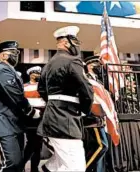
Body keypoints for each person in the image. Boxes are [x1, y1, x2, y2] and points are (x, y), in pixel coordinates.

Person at [37, 26, 94, 172]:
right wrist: (84, 111)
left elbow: (41, 89)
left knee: (58, 163)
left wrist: (55, 102)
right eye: (74, 41)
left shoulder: (49, 63)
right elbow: (86, 90)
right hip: (66, 119)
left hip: (52, 117)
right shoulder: (72, 61)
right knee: (76, 166)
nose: (77, 45)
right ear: (64, 43)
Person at [0, 40, 41, 172]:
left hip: (14, 123)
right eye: (14, 53)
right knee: (11, 163)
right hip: (3, 123)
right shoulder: (3, 72)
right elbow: (16, 95)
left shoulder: (10, 71)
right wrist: (32, 111)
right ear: (3, 55)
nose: (17, 55)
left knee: (19, 163)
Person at [82, 55, 109, 172]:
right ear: (89, 66)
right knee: (101, 146)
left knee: (97, 149)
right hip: (92, 118)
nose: (99, 67)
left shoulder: (97, 80)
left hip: (99, 118)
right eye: (96, 64)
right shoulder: (86, 79)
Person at [23, 66, 46, 172]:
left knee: (38, 144)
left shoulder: (44, 87)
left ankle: (34, 168)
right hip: (30, 118)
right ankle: (21, 164)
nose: (38, 75)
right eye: (36, 73)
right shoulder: (24, 87)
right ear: (30, 74)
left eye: (39, 73)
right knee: (32, 143)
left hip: (42, 116)